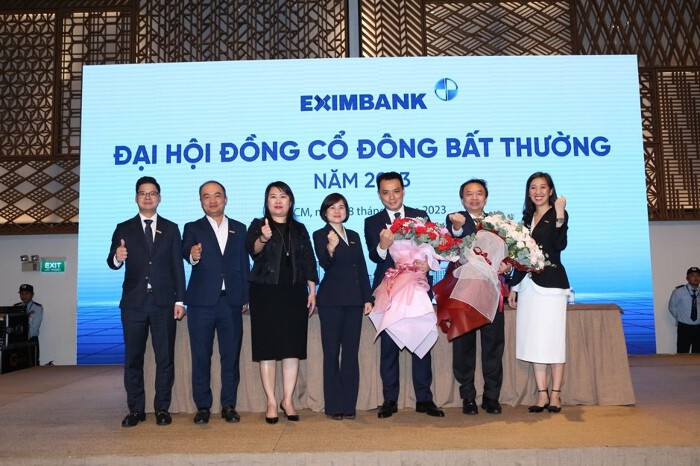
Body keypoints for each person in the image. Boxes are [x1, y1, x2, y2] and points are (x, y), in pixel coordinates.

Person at [364, 171, 444, 418]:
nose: (392, 197)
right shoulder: (372, 222)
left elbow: (435, 249)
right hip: (390, 289)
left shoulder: (420, 216)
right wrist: (383, 246)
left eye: (396, 191)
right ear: (379, 195)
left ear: (403, 191)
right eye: (386, 193)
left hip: (417, 287)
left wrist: (427, 265)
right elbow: (375, 257)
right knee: (389, 347)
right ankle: (390, 400)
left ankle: (424, 399)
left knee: (421, 341)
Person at [107, 176, 186, 427]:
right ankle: (136, 410)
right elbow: (111, 262)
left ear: (159, 197)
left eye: (152, 193)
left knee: (165, 358)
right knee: (133, 359)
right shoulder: (124, 228)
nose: (148, 197)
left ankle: (162, 408)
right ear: (136, 198)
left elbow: (177, 267)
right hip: (134, 304)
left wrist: (180, 301)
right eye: (143, 193)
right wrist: (118, 257)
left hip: (164, 303)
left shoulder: (171, 228)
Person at [246, 181, 318, 424]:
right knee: (267, 348)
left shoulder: (300, 229)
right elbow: (253, 249)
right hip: (265, 292)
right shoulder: (258, 225)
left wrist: (311, 290)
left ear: (291, 201)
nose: (278, 201)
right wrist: (263, 238)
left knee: (291, 349)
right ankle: (270, 401)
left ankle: (287, 400)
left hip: (294, 293)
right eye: (273, 196)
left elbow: (308, 260)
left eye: (283, 196)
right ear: (266, 202)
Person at [182, 181, 249, 424]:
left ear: (225, 199)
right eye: (206, 196)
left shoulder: (239, 228)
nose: (212, 200)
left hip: (231, 302)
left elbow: (244, 264)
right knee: (201, 356)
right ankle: (203, 406)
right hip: (201, 303)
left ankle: (229, 405)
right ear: (201, 201)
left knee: (230, 357)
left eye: (217, 195)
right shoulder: (192, 227)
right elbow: (185, 251)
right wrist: (193, 255)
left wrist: (245, 296)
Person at [507, 172, 569, 414]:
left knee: (553, 340)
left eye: (543, 187)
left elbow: (559, 245)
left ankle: (556, 394)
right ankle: (542, 393)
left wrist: (560, 213)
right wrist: (514, 287)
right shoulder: (525, 219)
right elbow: (520, 257)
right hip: (528, 287)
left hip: (552, 286)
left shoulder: (557, 214)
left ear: (551, 190)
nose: (538, 192)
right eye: (533, 187)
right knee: (534, 340)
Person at [444, 179, 506, 415]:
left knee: (493, 346)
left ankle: (492, 397)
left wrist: (508, 266)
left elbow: (508, 253)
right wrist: (458, 228)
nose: (474, 198)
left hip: (491, 291)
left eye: (479, 193)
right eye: (469, 194)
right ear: (462, 199)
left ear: (486, 198)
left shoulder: (498, 224)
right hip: (464, 292)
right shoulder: (455, 219)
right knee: (464, 346)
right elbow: (456, 237)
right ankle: (468, 396)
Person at [313, 193, 373, 420]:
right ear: (325, 212)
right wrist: (330, 247)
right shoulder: (320, 234)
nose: (337, 211)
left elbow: (361, 267)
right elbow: (325, 263)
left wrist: (367, 298)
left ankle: (349, 406)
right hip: (331, 302)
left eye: (341, 207)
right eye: (332, 207)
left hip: (354, 302)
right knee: (331, 354)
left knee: (350, 354)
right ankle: (333, 406)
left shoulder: (354, 235)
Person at [668, 266, 700, 353]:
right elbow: (672, 307)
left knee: (697, 355)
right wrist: (680, 318)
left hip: (699, 328)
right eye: (692, 275)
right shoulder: (678, 291)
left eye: (698, 275)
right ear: (687, 278)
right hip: (684, 328)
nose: (696, 278)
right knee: (682, 353)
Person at [15, 284, 43, 366]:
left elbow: (34, 327)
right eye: (22, 294)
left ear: (32, 294)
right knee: (18, 365)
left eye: (26, 293)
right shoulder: (16, 307)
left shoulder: (37, 308)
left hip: (31, 340)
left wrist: (24, 338)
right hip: (18, 340)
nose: (24, 296)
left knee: (32, 364)